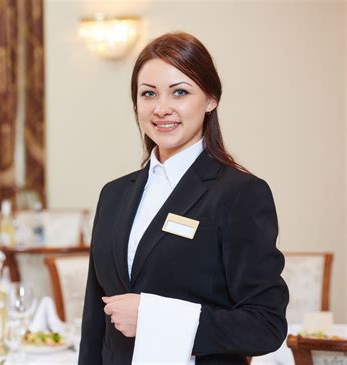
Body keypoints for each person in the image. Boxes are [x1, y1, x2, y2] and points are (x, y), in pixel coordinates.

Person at [78, 32, 289, 365]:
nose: (162, 108)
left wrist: (153, 320)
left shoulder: (239, 194)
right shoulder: (114, 195)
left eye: (180, 92)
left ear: (210, 99)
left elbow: (266, 325)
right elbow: (94, 324)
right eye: (148, 94)